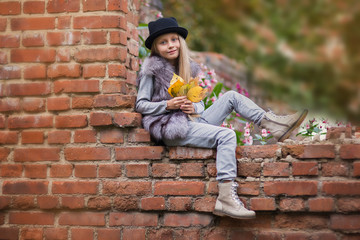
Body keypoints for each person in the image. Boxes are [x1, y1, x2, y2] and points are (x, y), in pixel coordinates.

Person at [136, 17, 308, 219]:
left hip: (192, 120)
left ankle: (274, 124)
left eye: (173, 39)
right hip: (172, 127)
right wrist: (167, 105)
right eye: (163, 42)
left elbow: (198, 103)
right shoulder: (151, 71)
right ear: (156, 47)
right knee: (226, 136)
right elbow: (141, 104)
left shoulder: (187, 67)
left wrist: (193, 106)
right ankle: (225, 197)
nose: (170, 45)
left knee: (231, 97)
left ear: (180, 41)